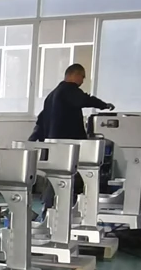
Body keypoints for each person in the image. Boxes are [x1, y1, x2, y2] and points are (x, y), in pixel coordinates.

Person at [29, 63, 115, 213]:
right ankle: (60, 209)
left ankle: (48, 209)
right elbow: (85, 100)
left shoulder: (52, 95)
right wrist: (104, 105)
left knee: (54, 177)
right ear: (75, 75)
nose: (82, 81)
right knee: (66, 179)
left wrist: (35, 138)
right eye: (82, 77)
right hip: (66, 145)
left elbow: (41, 120)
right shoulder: (69, 90)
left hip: (52, 145)